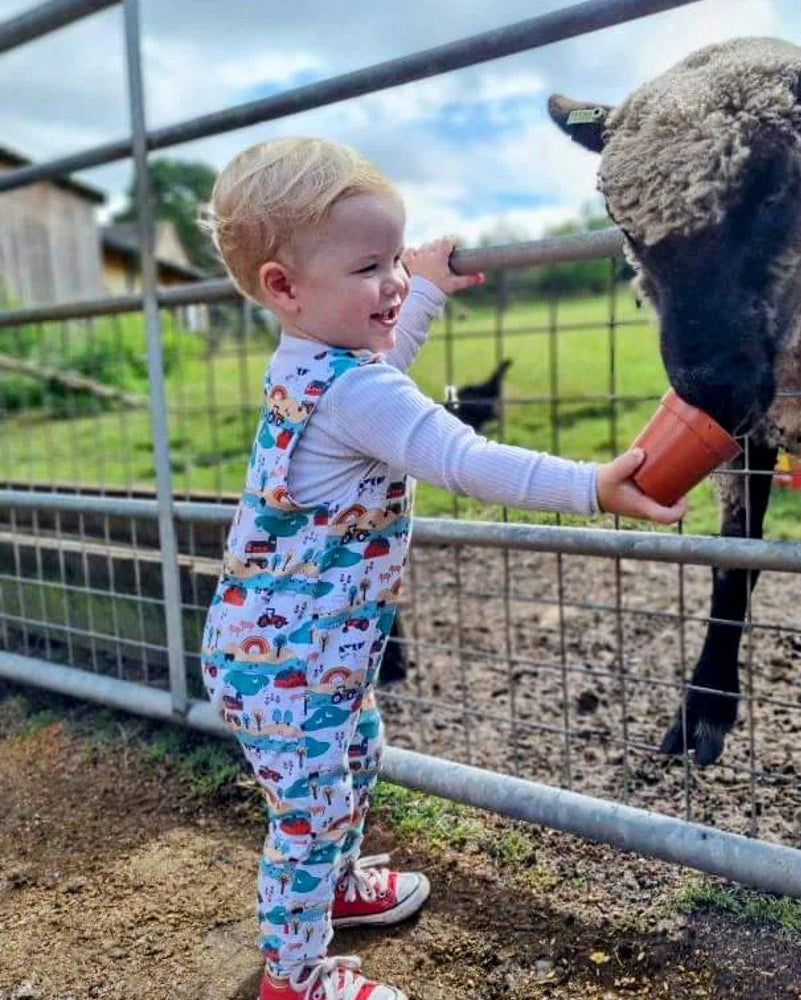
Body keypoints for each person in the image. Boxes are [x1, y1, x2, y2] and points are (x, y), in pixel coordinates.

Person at [200, 136, 687, 1000]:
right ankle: (293, 975)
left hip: (302, 655)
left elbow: (383, 367)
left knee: (353, 762)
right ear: (283, 286)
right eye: (369, 267)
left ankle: (337, 893)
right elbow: (457, 454)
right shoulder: (354, 391)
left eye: (394, 257)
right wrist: (593, 487)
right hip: (294, 664)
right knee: (309, 814)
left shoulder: (314, 361)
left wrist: (418, 287)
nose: (389, 282)